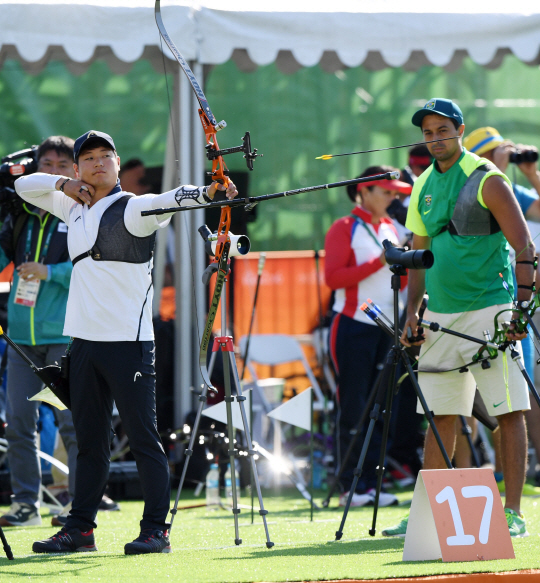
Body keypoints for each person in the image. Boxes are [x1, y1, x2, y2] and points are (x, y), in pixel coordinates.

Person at [14, 130, 238, 555]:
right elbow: (24, 185)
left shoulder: (133, 208)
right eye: (89, 158)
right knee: (90, 442)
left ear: (117, 165)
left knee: (143, 437)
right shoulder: (70, 207)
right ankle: (80, 529)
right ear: (78, 168)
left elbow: (172, 198)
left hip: (129, 344)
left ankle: (156, 530)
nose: (98, 163)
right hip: (82, 345)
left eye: (106, 156)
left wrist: (209, 191)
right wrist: (63, 184)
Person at [383, 98, 534, 538]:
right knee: (441, 415)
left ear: (460, 130)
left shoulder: (488, 179)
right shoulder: (423, 184)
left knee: (509, 411)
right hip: (441, 315)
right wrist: (412, 312)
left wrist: (521, 308)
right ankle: (428, 514)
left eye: (442, 130)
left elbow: (524, 246)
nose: (434, 139)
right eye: (427, 132)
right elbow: (417, 255)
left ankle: (513, 513)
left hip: (491, 307)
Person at [0, 136, 78, 528]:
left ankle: (77, 509)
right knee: (18, 424)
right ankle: (26, 504)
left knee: (72, 424)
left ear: (75, 172)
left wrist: (51, 272)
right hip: (19, 337)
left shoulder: (80, 214)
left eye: (62, 165)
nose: (52, 171)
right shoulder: (20, 216)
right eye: (45, 163)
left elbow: (93, 269)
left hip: (64, 336)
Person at [325, 165, 412, 508]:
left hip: (388, 328)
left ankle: (372, 483)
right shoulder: (344, 227)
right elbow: (333, 278)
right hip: (352, 326)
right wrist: (381, 261)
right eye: (386, 191)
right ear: (364, 191)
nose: (392, 197)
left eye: (394, 192)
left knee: (383, 407)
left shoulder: (391, 226)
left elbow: (401, 283)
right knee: (355, 406)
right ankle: (350, 486)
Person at [462, 127, 540, 496]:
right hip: (468, 306)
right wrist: (502, 169)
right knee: (464, 399)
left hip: (506, 306)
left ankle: (521, 483)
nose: (501, 157)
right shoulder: (465, 185)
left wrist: (530, 174)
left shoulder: (510, 186)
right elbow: (487, 195)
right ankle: (466, 480)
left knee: (520, 394)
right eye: (494, 152)